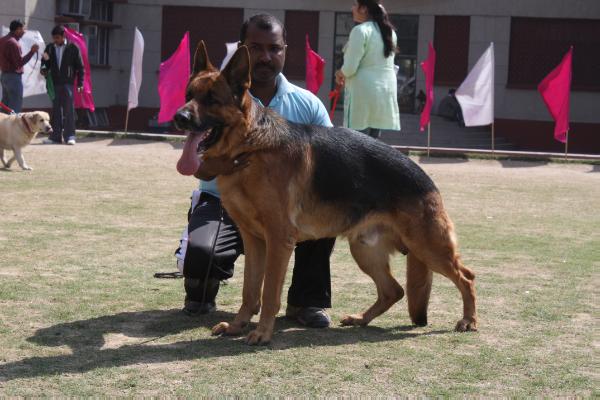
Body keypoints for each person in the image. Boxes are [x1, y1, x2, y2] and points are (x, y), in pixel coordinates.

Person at [177, 14, 335, 328]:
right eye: (256, 48)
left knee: (322, 216)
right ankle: (202, 288)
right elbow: (199, 170)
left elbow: (328, 163)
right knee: (201, 260)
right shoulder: (211, 97)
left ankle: (307, 300)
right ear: (242, 51)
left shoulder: (308, 105)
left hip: (284, 207)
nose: (265, 56)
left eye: (274, 48)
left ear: (285, 51)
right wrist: (223, 164)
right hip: (221, 202)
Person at [335, 0, 400, 139]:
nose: (352, 8)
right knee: (373, 145)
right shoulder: (390, 33)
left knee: (356, 144)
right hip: (384, 92)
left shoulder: (360, 31)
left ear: (363, 8)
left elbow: (350, 68)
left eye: (354, 4)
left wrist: (339, 73)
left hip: (363, 95)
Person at [40, 25, 84, 145]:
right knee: (56, 110)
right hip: (55, 84)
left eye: (57, 37)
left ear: (64, 36)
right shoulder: (49, 48)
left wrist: (80, 83)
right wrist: (43, 69)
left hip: (68, 84)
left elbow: (80, 67)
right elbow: (44, 62)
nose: (55, 40)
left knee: (69, 110)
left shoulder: (73, 47)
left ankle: (70, 136)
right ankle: (55, 137)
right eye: (54, 38)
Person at [0, 20, 39, 114]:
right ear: (17, 29)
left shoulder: (2, 40)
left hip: (4, 76)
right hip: (13, 77)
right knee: (15, 106)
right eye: (23, 29)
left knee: (5, 106)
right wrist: (32, 51)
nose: (24, 31)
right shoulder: (14, 43)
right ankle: (13, 128)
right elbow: (19, 63)